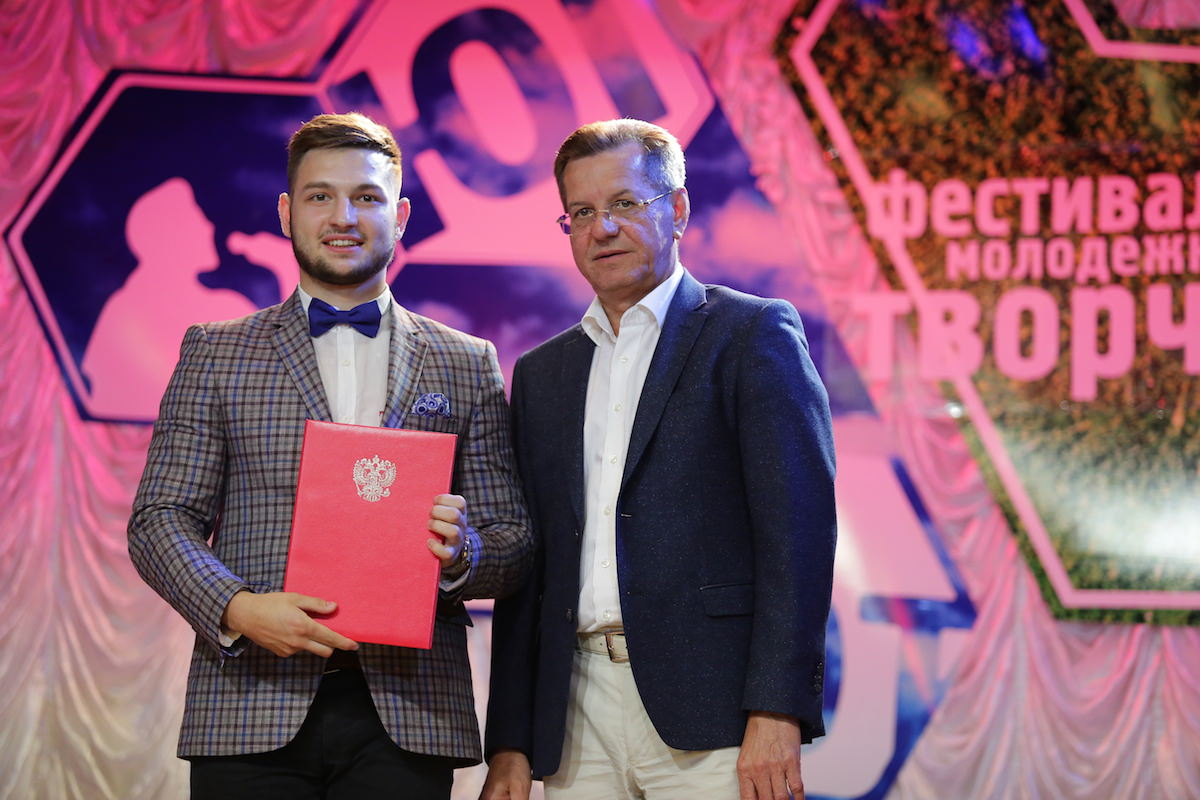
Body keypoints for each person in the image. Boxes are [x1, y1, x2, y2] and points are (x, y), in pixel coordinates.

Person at [127, 112, 532, 800]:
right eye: (321, 196)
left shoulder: (466, 362)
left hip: (410, 711)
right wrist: (238, 609)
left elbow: (513, 541)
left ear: (400, 216)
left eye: (367, 197)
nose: (344, 216)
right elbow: (159, 519)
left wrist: (462, 553)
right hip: (250, 702)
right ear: (287, 213)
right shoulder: (216, 352)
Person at [480, 119, 836, 800]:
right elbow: (530, 573)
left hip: (716, 713)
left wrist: (777, 709)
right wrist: (511, 743)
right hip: (574, 718)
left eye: (624, 203)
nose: (603, 228)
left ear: (676, 209)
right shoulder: (542, 374)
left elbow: (799, 538)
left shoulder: (750, 334)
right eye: (582, 212)